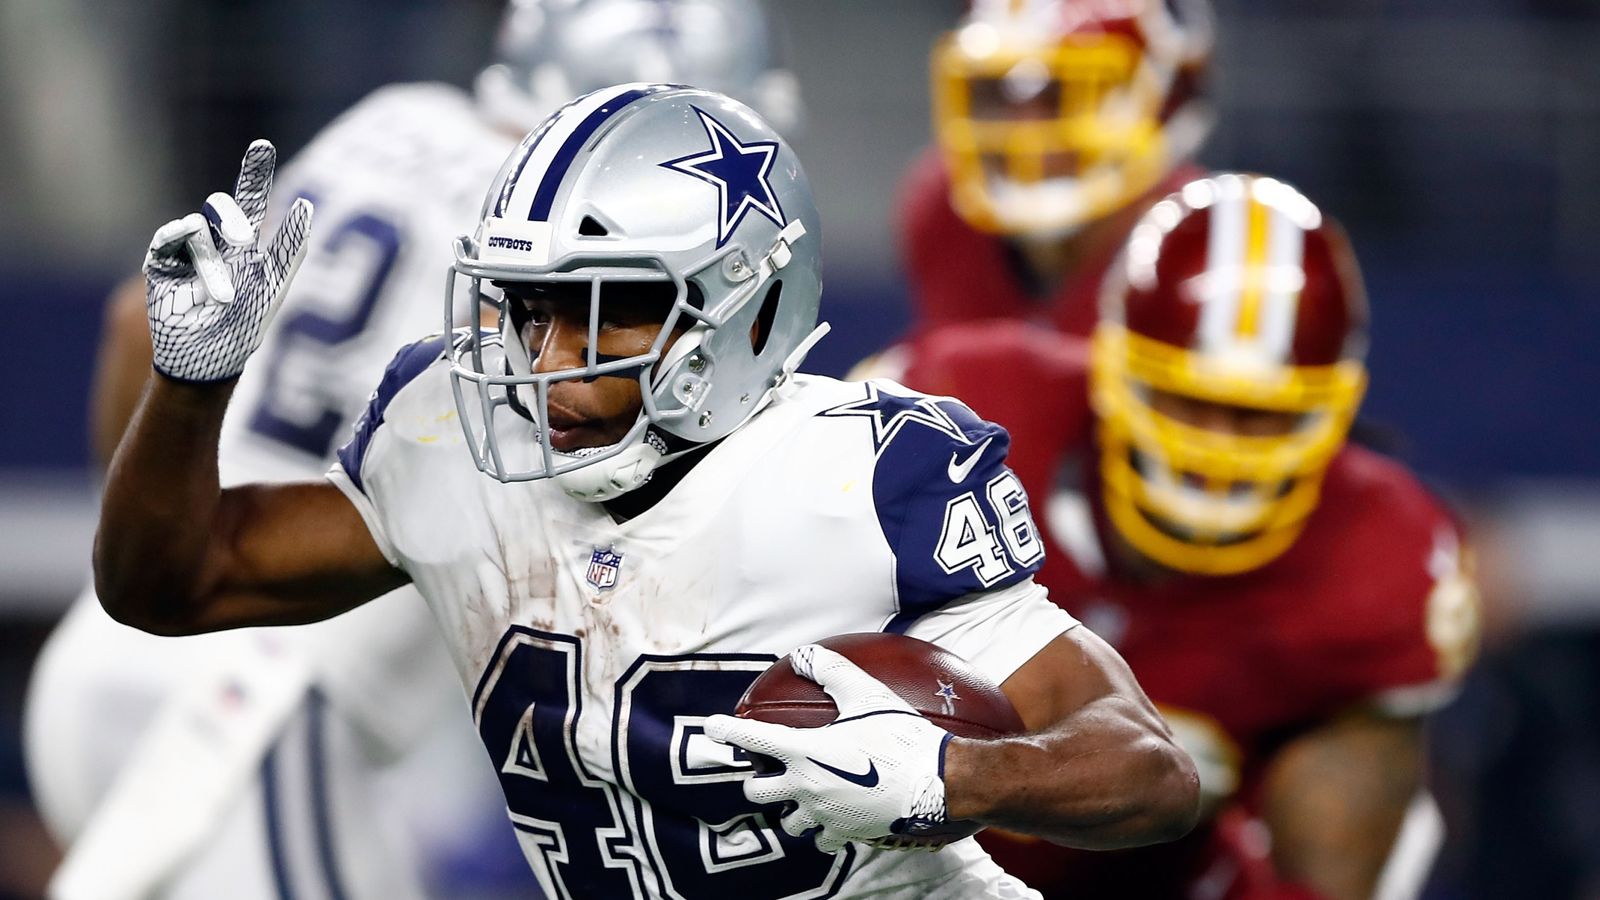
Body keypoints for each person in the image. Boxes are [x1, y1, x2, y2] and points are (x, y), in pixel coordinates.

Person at [95, 84, 1200, 899]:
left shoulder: (861, 476)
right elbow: (172, 586)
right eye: (530, 306)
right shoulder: (446, 439)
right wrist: (193, 387)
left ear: (748, 311)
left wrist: (947, 776)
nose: (551, 357)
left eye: (612, 306)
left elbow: (1149, 771)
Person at [27, 4, 801, 898]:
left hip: (114, 641)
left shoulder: (392, 122)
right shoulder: (592, 232)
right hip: (262, 698)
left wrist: (142, 532)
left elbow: (139, 325)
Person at [898, 173, 1481, 900]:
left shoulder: (1374, 554)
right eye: (1187, 400)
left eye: (1259, 412)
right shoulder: (972, 405)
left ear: (1336, 408)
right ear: (1107, 365)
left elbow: (1327, 874)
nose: (1217, 449)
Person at [900, 0, 1213, 340]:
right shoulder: (947, 210)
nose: (1026, 130)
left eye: (1058, 96)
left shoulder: (1204, 251)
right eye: (1000, 94)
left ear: (1164, 102)